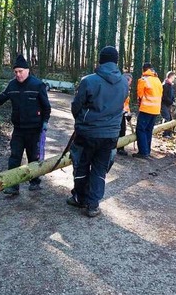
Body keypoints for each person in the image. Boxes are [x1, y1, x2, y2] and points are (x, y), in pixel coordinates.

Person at [68, 46, 128, 218]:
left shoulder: (89, 80)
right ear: (116, 61)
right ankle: (93, 205)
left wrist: (82, 121)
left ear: (100, 60)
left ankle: (80, 198)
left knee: (81, 166)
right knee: (100, 169)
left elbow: (76, 106)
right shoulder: (124, 82)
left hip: (87, 133)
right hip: (110, 135)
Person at [0, 54, 51, 194]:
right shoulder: (12, 85)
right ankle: (13, 185)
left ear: (27, 70)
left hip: (34, 129)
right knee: (15, 156)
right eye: (16, 72)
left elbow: (46, 107)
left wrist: (45, 122)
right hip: (18, 129)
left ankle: (35, 181)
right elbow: (2, 97)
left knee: (33, 157)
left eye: (21, 71)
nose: (18, 74)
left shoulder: (37, 85)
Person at [133, 63, 162, 159]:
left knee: (140, 129)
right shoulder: (157, 80)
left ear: (144, 70)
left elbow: (140, 95)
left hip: (146, 108)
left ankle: (143, 152)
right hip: (156, 109)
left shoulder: (143, 80)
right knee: (149, 130)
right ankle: (147, 151)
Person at [116, 72, 132, 156]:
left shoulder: (126, 89)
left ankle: (120, 148)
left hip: (122, 113)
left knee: (122, 130)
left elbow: (126, 103)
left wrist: (128, 113)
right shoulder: (119, 88)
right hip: (117, 113)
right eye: (130, 81)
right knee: (119, 130)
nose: (130, 84)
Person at [161, 70, 176, 138]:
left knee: (170, 118)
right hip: (163, 104)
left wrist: (173, 101)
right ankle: (164, 133)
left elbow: (171, 95)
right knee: (166, 117)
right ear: (170, 76)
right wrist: (171, 102)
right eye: (173, 77)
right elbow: (164, 96)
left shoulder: (171, 85)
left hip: (168, 104)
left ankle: (169, 133)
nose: (174, 78)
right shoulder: (165, 85)